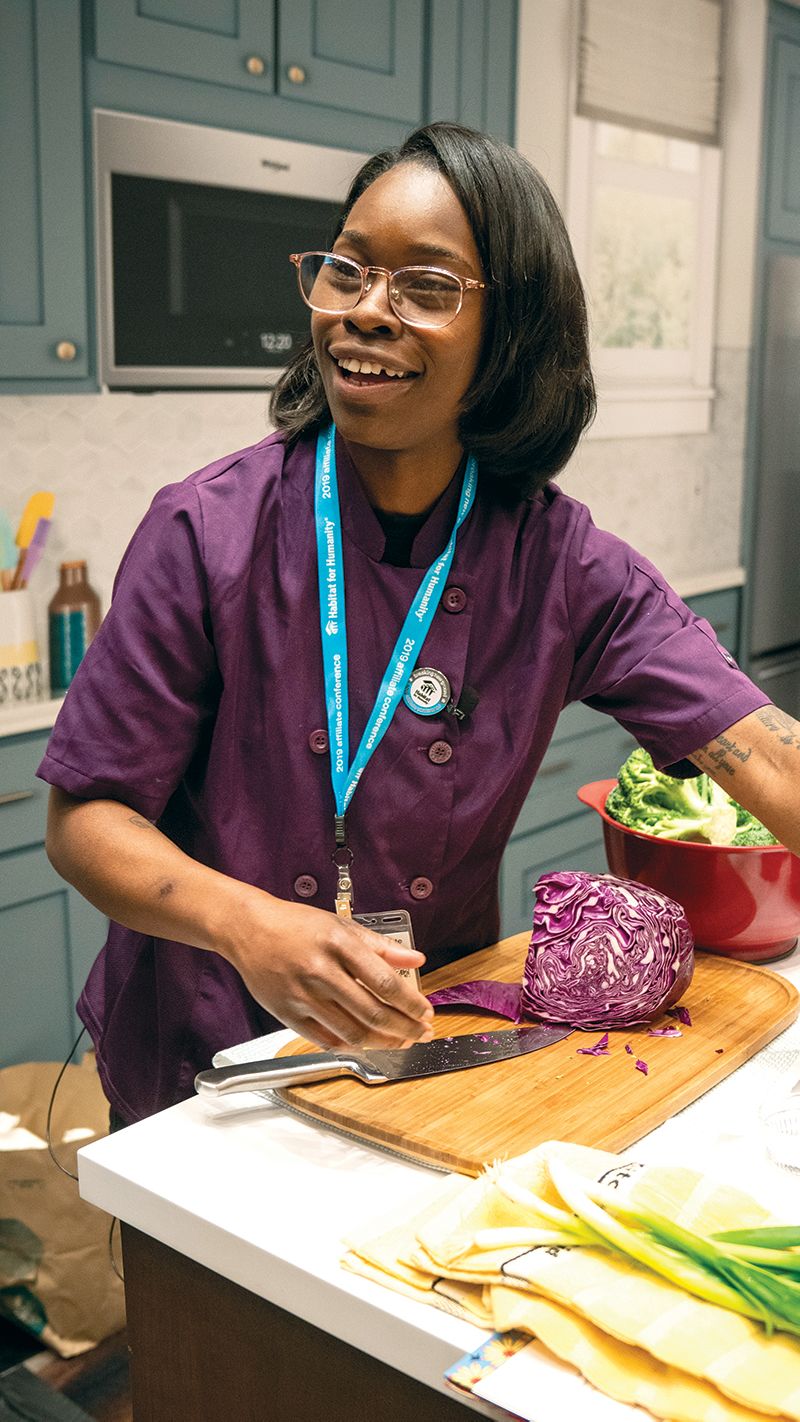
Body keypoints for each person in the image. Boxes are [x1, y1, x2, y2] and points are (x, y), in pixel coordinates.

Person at [40, 123, 800, 1127]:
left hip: (419, 1048)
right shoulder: (205, 529)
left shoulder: (559, 566)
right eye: (345, 271)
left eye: (426, 287)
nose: (364, 312)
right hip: (206, 1058)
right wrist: (249, 925)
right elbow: (84, 820)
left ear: (512, 329)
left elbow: (770, 763)